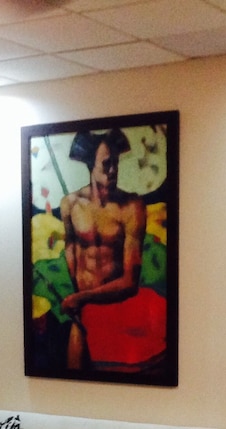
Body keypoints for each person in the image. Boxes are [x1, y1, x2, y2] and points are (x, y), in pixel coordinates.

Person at [59, 128, 146, 369]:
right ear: (91, 166)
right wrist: (79, 295)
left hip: (115, 310)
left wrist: (80, 297)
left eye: (115, 163)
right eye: (106, 164)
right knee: (73, 380)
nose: (113, 170)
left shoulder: (132, 207)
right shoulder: (70, 205)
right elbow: (71, 249)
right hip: (82, 310)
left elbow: (130, 281)